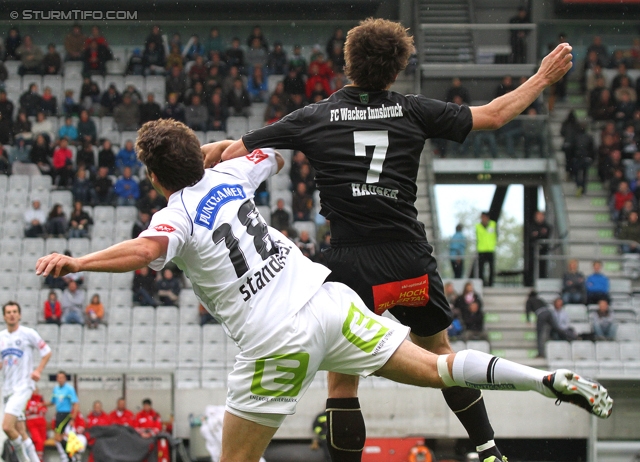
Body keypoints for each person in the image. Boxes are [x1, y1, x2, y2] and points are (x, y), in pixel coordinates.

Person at [36, 120, 612, 462]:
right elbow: (268, 146)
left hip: (274, 341)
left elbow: (142, 251)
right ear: (195, 156)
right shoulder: (230, 173)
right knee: (441, 366)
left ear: (155, 178)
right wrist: (212, 150)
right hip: (327, 300)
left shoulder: (172, 217)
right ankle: (543, 379)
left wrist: (77, 260)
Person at [203, 18, 577, 462]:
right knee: (439, 355)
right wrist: (541, 77)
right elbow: (494, 115)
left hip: (349, 266)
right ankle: (489, 449)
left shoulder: (314, 117)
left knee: (342, 380)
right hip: (408, 260)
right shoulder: (413, 110)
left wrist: (222, 148)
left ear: (348, 62)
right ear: (397, 67)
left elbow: (232, 153)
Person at [0, 301, 52, 462]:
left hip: (23, 387)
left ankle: (24, 460)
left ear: (20, 315)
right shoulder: (1, 337)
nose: (12, 314)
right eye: (8, 312)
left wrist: (38, 370)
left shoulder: (28, 333)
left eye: (15, 311)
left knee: (7, 427)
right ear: (4, 316)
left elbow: (47, 352)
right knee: (20, 431)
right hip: (7, 389)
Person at [48, 371, 79, 462]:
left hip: (65, 414)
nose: (60, 379)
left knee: (58, 437)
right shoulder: (56, 389)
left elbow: (76, 404)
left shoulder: (69, 389)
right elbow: (52, 402)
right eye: (58, 377)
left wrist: (73, 418)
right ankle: (71, 456)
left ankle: (71, 456)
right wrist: (42, 404)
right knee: (58, 438)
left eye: (62, 377)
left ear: (65, 379)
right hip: (58, 414)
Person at [528, 210, 552, 282]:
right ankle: (531, 282)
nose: (540, 218)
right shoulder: (532, 226)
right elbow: (531, 236)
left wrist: (537, 233)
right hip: (534, 250)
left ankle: (543, 280)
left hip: (543, 250)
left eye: (541, 216)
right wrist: (540, 233)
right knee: (533, 266)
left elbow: (547, 233)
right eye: (538, 216)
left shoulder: (547, 226)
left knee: (543, 266)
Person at [25, 389, 47, 462]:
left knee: (42, 441)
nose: (35, 392)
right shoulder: (27, 399)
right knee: (38, 441)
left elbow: (44, 410)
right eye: (34, 390)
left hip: (42, 425)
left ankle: (39, 458)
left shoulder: (40, 399)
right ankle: (38, 459)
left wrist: (38, 408)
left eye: (37, 390)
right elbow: (30, 409)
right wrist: (38, 408)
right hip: (32, 425)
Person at [476, 212, 497, 287]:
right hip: (481, 249)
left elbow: (496, 235)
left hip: (490, 249)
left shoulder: (493, 224)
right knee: (481, 268)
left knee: (491, 268)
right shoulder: (477, 226)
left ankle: (491, 283)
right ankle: (482, 283)